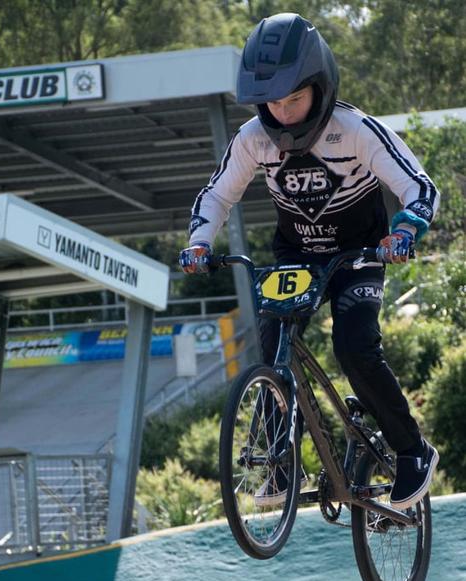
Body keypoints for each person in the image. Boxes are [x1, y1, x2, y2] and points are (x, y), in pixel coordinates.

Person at [179, 12, 439, 510]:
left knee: (354, 346)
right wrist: (198, 241)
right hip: (296, 255)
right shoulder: (254, 137)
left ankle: (412, 451)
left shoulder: (355, 129)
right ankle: (278, 458)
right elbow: (217, 194)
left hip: (358, 255)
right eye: (273, 101)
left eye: (294, 98)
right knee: (273, 344)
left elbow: (419, 186)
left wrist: (405, 228)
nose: (284, 113)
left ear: (320, 86)